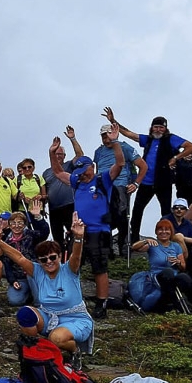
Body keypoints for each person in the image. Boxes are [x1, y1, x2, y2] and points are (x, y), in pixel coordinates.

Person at [0, 213, 92, 355]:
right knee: (25, 314)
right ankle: (36, 350)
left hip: (75, 319)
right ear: (39, 261)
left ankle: (75, 351)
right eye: (44, 259)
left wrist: (78, 237)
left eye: (52, 257)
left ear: (59, 257)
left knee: (56, 338)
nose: (49, 262)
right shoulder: (38, 271)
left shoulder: (69, 269)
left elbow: (76, 256)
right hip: (48, 316)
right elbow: (19, 258)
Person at [50, 135, 124, 318]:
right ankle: (70, 301)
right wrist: (52, 153)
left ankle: (101, 303)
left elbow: (120, 164)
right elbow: (58, 172)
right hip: (78, 232)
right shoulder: (76, 182)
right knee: (72, 267)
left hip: (99, 232)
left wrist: (115, 143)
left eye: (85, 170)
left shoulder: (102, 180)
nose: (82, 174)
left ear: (92, 167)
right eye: (79, 171)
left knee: (99, 268)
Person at [103, 107, 192, 241]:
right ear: (152, 128)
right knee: (137, 210)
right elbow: (129, 134)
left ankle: (168, 240)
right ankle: (134, 239)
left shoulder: (170, 139)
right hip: (146, 181)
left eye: (161, 128)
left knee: (166, 212)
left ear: (165, 129)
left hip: (163, 182)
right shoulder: (148, 139)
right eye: (156, 127)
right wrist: (113, 120)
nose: (158, 130)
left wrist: (175, 158)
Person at [72, 124, 146, 257]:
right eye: (103, 137)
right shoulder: (99, 151)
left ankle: (124, 248)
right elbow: (95, 169)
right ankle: (108, 249)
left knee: (121, 215)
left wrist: (135, 183)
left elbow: (143, 166)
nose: (106, 140)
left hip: (119, 185)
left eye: (108, 136)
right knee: (105, 216)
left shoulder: (124, 147)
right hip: (102, 187)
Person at [131, 219, 192, 313]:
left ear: (171, 232)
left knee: (185, 277)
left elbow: (183, 266)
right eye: (160, 229)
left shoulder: (176, 246)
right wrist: (145, 241)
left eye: (167, 230)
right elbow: (134, 247)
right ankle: (176, 305)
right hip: (157, 276)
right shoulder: (153, 245)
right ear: (156, 232)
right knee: (168, 272)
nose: (164, 232)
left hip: (174, 275)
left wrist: (178, 262)